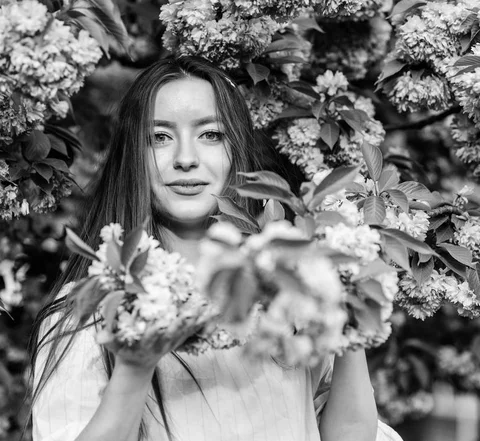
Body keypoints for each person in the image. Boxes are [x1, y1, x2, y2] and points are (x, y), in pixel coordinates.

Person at [29, 56, 403, 441]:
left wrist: (347, 321)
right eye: (159, 137)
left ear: (236, 149)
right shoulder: (94, 308)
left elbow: (351, 434)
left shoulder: (288, 285)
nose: (186, 160)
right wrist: (135, 367)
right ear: (133, 156)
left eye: (211, 134)